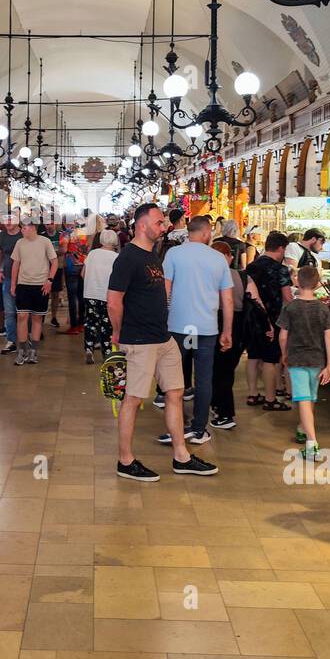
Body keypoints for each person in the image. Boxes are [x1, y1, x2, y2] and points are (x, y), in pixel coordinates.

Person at [108, 203, 219, 482]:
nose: (164, 226)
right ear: (142, 225)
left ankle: (181, 456)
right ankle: (125, 460)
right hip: (139, 339)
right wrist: (119, 332)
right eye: (159, 222)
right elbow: (113, 301)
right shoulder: (128, 258)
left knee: (175, 392)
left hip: (163, 337)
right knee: (133, 399)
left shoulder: (154, 255)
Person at [160, 216, 234, 445]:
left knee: (175, 377)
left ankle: (176, 425)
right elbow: (228, 300)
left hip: (180, 327)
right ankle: (199, 428)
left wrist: (161, 321)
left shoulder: (174, 254)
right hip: (205, 328)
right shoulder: (218, 259)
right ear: (206, 233)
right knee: (203, 378)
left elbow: (165, 291)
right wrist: (227, 331)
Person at [277, 263, 330, 459]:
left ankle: (312, 443)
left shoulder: (291, 307)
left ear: (297, 282)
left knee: (303, 399)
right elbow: (329, 337)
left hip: (297, 358)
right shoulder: (323, 308)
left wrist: (283, 353)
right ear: (318, 283)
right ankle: (303, 428)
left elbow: (283, 336)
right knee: (310, 398)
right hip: (317, 359)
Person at [244, 231, 293, 411]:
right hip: (271, 319)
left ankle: (252, 393)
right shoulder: (280, 269)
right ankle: (270, 399)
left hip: (251, 317)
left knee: (253, 356)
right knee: (270, 359)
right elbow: (287, 297)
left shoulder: (252, 267)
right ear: (281, 248)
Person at [209, 239, 246, 431]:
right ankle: (219, 406)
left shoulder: (209, 276)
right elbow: (256, 301)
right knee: (226, 370)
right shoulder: (241, 276)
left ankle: (224, 411)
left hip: (217, 323)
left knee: (218, 370)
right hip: (239, 328)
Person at [11, 220, 57, 365]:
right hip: (23, 284)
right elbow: (15, 264)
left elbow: (54, 262)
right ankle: (22, 350)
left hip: (41, 285)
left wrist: (49, 280)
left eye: (23, 228)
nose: (21, 231)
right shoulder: (20, 243)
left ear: (32, 228)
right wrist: (13, 284)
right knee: (22, 316)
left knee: (37, 318)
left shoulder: (45, 242)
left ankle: (33, 351)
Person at [81, 228, 119, 363]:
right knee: (106, 325)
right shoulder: (116, 257)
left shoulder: (92, 254)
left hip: (90, 293)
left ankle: (89, 348)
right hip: (107, 295)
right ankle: (107, 353)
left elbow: (83, 274)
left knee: (90, 322)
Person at [0, 216, 22, 352]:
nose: (8, 222)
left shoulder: (24, 234)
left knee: (24, 311)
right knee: (9, 311)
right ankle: (11, 340)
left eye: (11, 219)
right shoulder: (1, 237)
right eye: (6, 220)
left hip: (25, 279)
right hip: (8, 277)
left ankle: (25, 338)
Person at [63, 221, 88, 333]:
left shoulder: (66, 233)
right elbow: (85, 249)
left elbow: (63, 249)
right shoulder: (82, 232)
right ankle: (81, 324)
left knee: (72, 297)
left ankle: (74, 326)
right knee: (81, 295)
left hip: (71, 266)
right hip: (82, 265)